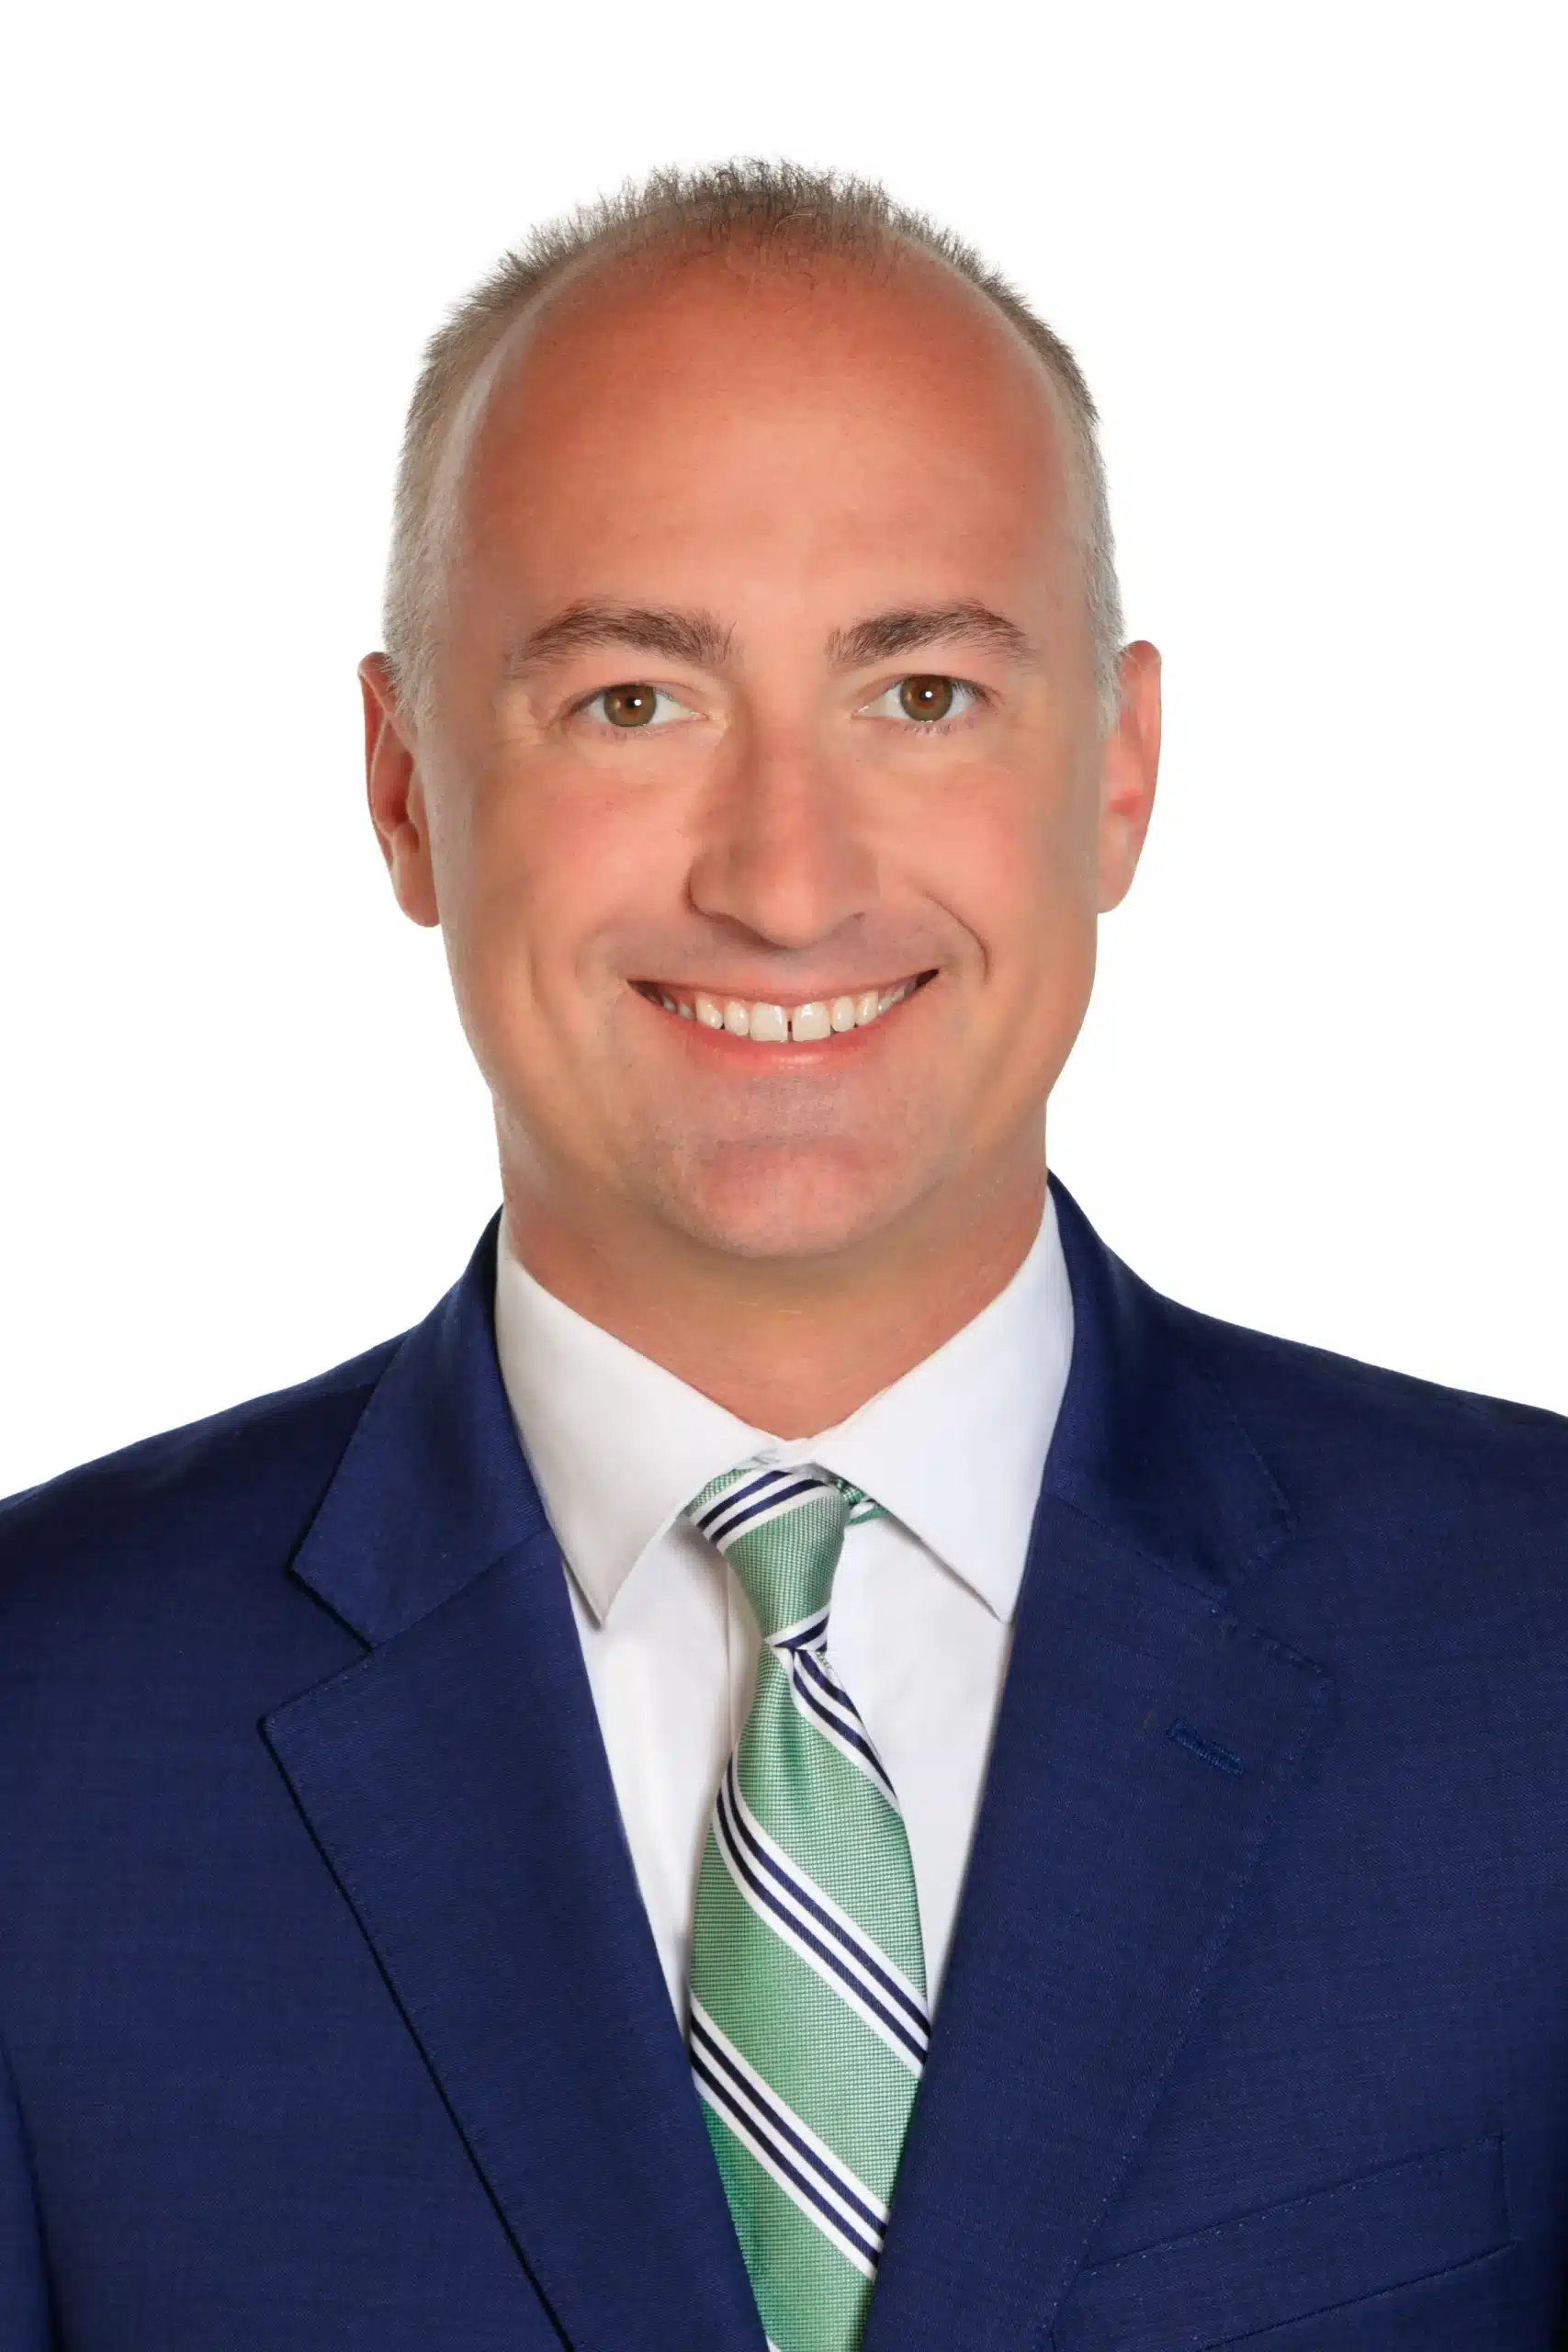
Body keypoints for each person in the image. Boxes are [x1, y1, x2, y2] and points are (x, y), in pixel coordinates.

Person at [1, 156, 1564, 2352]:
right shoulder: (36, 1734)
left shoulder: (1533, 1653)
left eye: (918, 691)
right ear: (404, 788)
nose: (784, 875)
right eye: (634, 699)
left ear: (1115, 770)